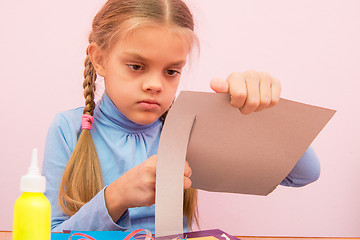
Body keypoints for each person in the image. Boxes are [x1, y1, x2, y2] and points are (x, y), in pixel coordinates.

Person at [42, 0, 320, 234]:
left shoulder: (187, 127)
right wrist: (116, 196)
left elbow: (304, 174)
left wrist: (264, 112)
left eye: (171, 71)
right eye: (136, 66)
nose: (156, 85)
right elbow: (50, 234)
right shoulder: (69, 129)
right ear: (99, 59)